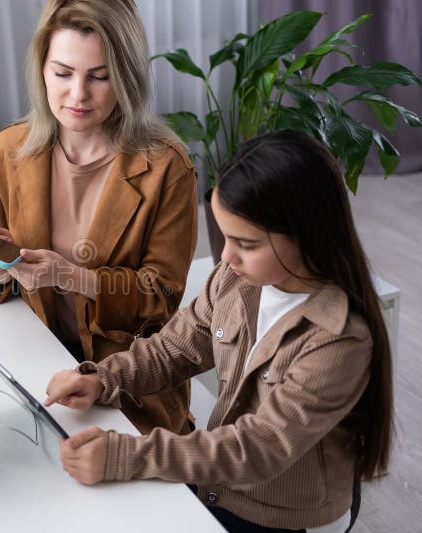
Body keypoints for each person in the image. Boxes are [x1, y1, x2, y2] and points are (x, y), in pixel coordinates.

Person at [44, 129, 393, 532]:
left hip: (285, 513)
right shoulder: (234, 278)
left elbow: (260, 447)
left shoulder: (340, 339)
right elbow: (174, 348)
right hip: (222, 480)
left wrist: (127, 456)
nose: (225, 256)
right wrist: (103, 378)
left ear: (307, 235)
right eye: (225, 236)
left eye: (245, 243)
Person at [0, 0, 198, 435]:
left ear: (125, 76)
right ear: (42, 70)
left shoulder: (167, 169)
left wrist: (71, 276)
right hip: (34, 365)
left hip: (127, 385)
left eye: (99, 77)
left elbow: (161, 299)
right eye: (62, 73)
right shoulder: (6, 152)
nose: (77, 95)